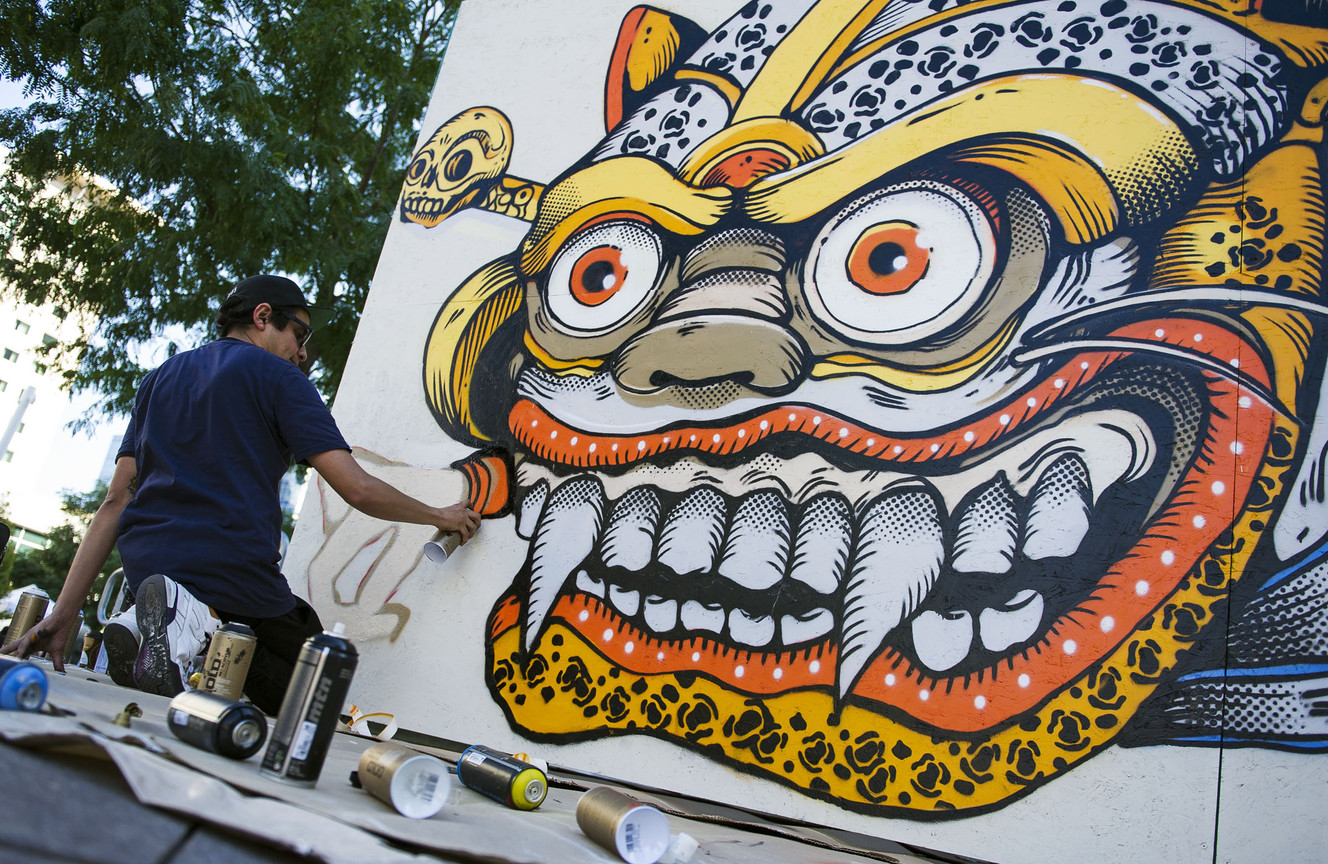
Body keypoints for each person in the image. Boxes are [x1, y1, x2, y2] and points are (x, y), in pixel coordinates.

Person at [0, 275, 480, 713]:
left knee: (278, 645)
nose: (303, 353)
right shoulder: (280, 380)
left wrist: (65, 612)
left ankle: (168, 627)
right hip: (228, 571)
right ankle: (202, 638)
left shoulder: (160, 378)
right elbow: (356, 487)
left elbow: (115, 502)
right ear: (263, 316)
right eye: (300, 335)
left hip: (149, 565)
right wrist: (441, 513)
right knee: (314, 686)